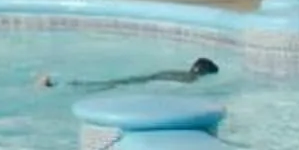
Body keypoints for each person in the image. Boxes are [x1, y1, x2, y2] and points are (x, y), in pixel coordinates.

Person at [78, 57, 219, 92]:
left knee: (116, 82)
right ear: (205, 72)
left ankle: (82, 84)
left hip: (150, 77)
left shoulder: (181, 72)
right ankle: (86, 85)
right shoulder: (191, 80)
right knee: (115, 85)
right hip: (151, 81)